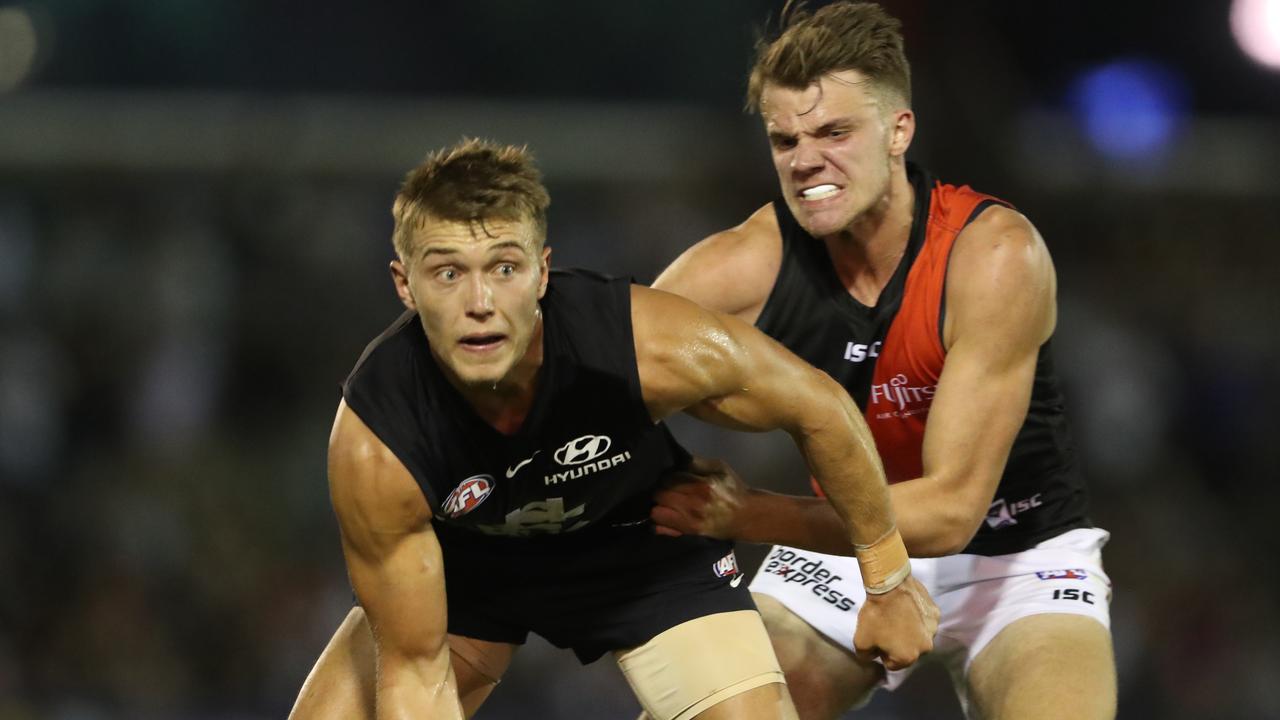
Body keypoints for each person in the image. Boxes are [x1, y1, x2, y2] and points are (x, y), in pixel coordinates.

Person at [288, 138, 938, 720]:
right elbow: (412, 673)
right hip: (469, 570)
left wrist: (886, 580)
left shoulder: (648, 346)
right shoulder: (377, 439)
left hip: (641, 547)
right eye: (448, 272)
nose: (480, 303)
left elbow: (821, 407)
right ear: (406, 284)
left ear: (544, 272)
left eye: (505, 268)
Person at [649, 3, 1115, 719]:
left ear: (899, 130)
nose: (806, 161)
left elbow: (952, 509)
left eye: (835, 132)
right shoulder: (748, 261)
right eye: (785, 139)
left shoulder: (992, 256)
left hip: (1016, 558)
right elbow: (598, 365)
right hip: (838, 554)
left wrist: (746, 513)